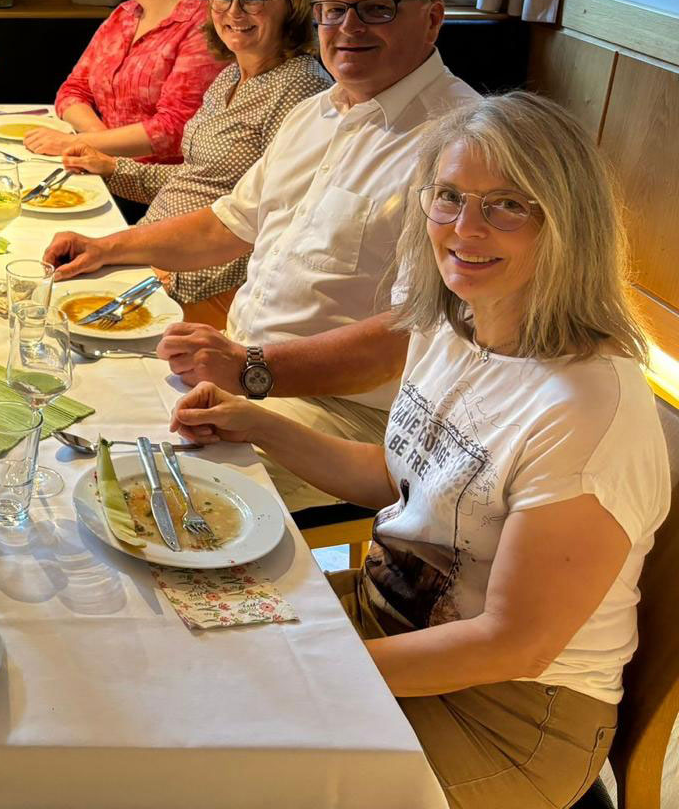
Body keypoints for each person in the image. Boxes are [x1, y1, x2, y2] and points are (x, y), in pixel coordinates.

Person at [171, 92, 670, 809]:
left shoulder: (587, 411)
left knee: (226, 772)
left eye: (507, 205)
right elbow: (403, 477)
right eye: (450, 197)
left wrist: (315, 669)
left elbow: (511, 644)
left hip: (508, 715)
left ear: (569, 223)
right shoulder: (455, 322)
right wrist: (255, 423)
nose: (465, 229)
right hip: (390, 624)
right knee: (178, 646)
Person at [45, 0, 478, 508]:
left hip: (346, 413)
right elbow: (226, 224)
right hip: (248, 367)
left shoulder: (463, 145)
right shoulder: (316, 113)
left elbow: (414, 335)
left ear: (433, 18)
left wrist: (253, 369)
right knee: (76, 407)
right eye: (335, 10)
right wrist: (107, 247)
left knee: (134, 491)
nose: (349, 28)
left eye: (378, 9)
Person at [57, 0, 331, 306]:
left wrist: (174, 277)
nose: (234, 13)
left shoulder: (300, 89)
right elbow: (197, 177)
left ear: (292, 2)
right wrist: (112, 169)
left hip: (196, 284)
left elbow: (275, 224)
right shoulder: (231, 75)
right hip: (150, 254)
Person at [23, 0, 226, 162]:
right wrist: (98, 142)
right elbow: (72, 91)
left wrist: (79, 142)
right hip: (103, 167)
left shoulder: (201, 23)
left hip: (155, 189)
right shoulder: (124, 16)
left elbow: (174, 130)